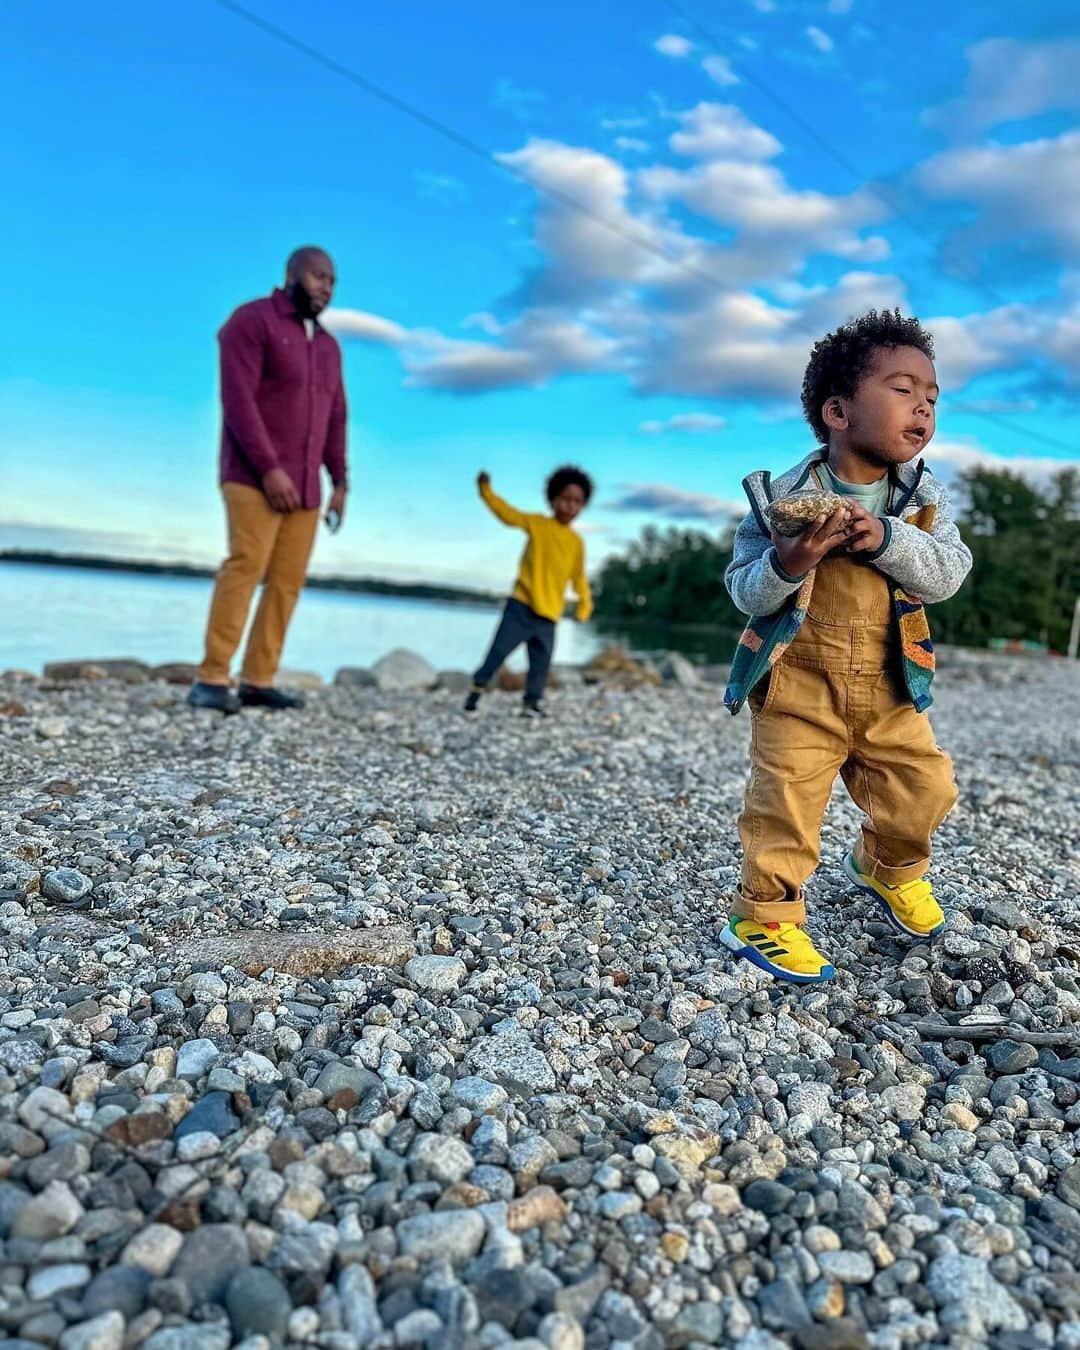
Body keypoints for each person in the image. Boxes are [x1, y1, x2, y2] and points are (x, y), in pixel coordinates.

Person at [720, 309, 972, 983]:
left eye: (931, 396)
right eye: (902, 388)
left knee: (925, 788)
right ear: (838, 410)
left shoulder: (923, 501)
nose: (922, 405)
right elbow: (744, 589)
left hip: (890, 685)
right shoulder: (779, 500)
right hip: (798, 684)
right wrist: (790, 564)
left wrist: (888, 539)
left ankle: (884, 868)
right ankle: (764, 916)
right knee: (784, 804)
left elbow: (949, 574)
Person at [187, 246, 348, 714]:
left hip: (306, 487)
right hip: (252, 477)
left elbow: (337, 415)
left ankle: (259, 679)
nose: (326, 287)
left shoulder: (329, 346)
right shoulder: (252, 321)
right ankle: (212, 678)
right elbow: (238, 402)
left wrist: (339, 481)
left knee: (286, 582)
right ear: (292, 274)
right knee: (245, 567)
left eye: (332, 281)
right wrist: (269, 468)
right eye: (318, 276)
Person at [465, 466, 594, 718]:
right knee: (498, 652)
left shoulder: (576, 543)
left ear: (582, 506)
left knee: (540, 664)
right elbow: (507, 514)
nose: (570, 506)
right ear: (553, 499)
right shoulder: (537, 524)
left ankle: (531, 704)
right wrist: (486, 491)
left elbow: (578, 577)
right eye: (566, 499)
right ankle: (475, 692)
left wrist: (584, 603)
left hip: (549, 615)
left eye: (577, 502)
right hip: (521, 607)